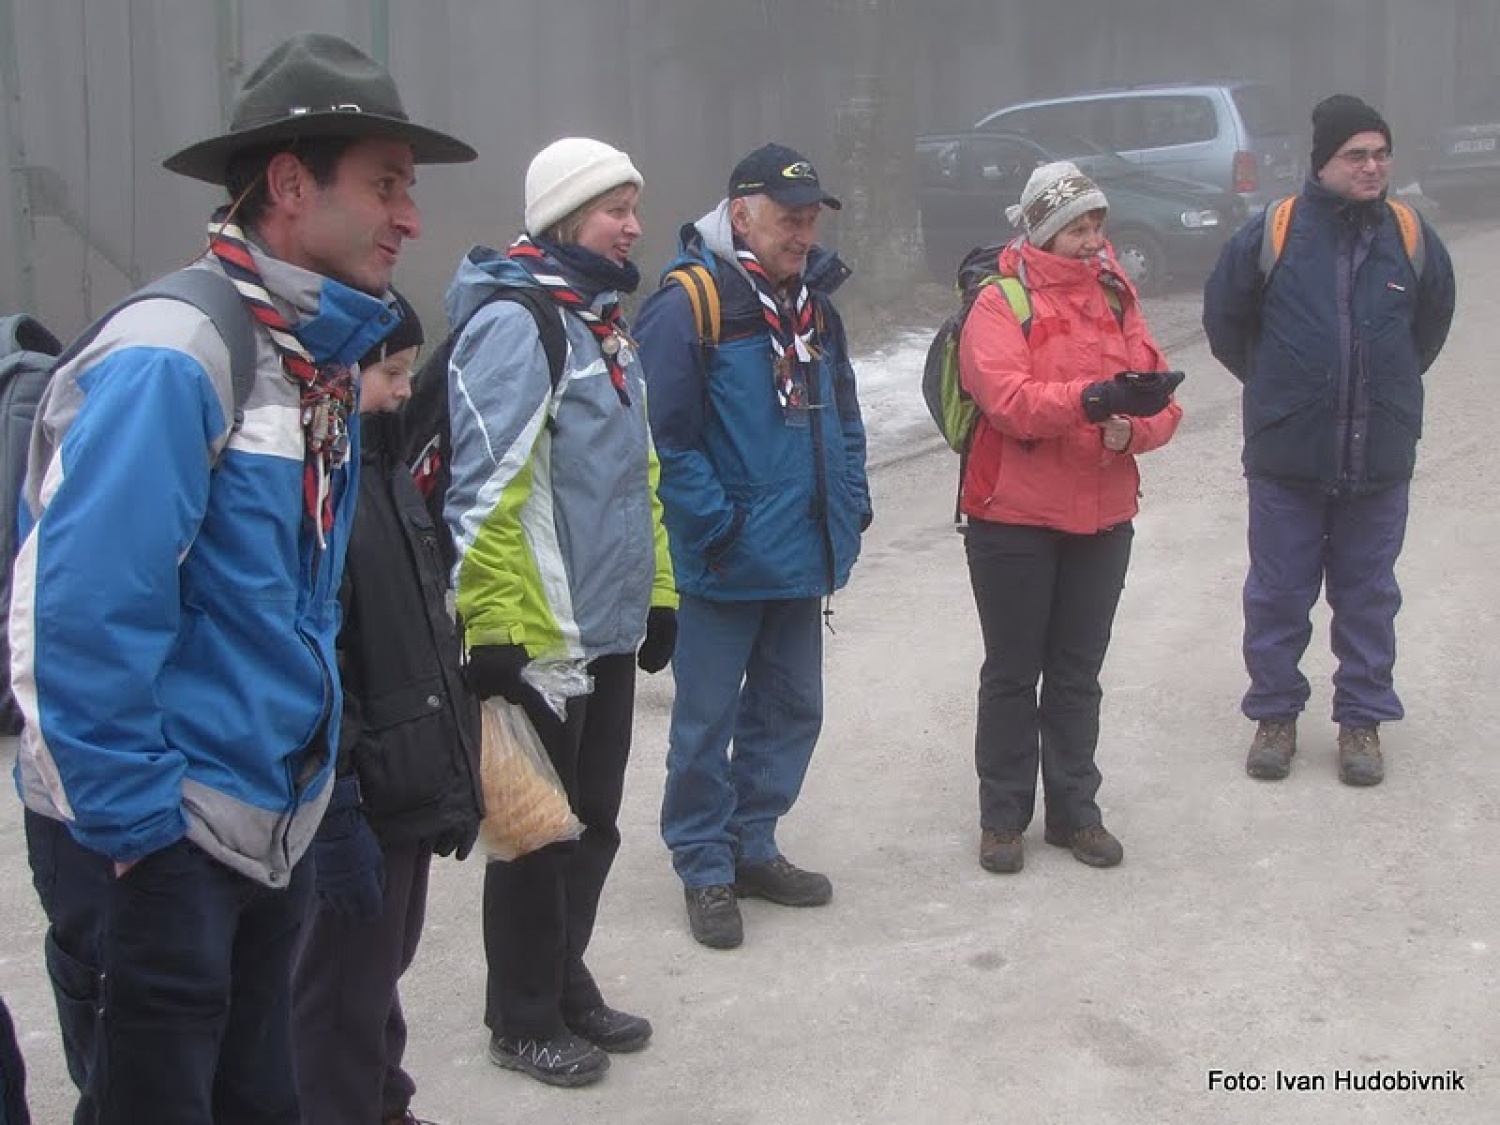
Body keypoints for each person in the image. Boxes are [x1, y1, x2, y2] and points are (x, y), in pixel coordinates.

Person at [10, 32, 474, 1123]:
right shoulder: (179, 355)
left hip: (270, 831)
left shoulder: (310, 361)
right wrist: (138, 839)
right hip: (161, 844)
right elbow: (77, 617)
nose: (411, 216)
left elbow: (293, 604)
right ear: (287, 184)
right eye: (386, 187)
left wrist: (313, 796)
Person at [443, 137, 677, 1089]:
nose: (632, 223)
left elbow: (641, 476)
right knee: (537, 836)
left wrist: (660, 594)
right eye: (613, 207)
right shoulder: (520, 324)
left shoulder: (603, 326)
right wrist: (490, 623)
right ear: (561, 216)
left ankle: (564, 976)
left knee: (597, 821)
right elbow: (482, 489)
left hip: (607, 627)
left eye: (635, 205)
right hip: (538, 637)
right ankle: (522, 1015)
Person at [634, 143, 871, 950]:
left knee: (792, 705)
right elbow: (667, 436)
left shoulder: (814, 307)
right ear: (741, 214)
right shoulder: (690, 304)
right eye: (787, 217)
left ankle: (752, 843)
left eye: (810, 218)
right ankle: (704, 862)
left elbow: (842, 415)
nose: (802, 232)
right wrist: (716, 528)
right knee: (706, 719)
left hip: (801, 551)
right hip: (727, 559)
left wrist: (850, 500)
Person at [1204, 94, 1455, 787]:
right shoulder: (1274, 233)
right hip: (1288, 456)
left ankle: (1362, 721)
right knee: (1279, 592)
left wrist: (1383, 391)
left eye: (1380, 154)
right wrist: (1282, 390)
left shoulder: (1409, 234)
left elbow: (1428, 328)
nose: (1372, 167)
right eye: (1357, 155)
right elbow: (1225, 322)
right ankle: (1276, 716)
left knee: (1368, 592)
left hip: (1379, 455)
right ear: (1324, 162)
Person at [291, 291, 484, 1125]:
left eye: (409, 370)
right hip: (360, 785)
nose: (406, 391)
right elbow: (327, 654)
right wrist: (347, 798)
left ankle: (383, 1099)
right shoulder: (324, 488)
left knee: (384, 960)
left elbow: (424, 625)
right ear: (337, 374)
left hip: (405, 771)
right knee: (336, 981)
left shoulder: (385, 469)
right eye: (390, 373)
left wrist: (450, 769)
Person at [959, 161, 1182, 876]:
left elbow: (1164, 401)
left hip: (1104, 508)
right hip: (1012, 515)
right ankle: (1002, 819)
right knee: (1013, 671)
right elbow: (1008, 399)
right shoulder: (1000, 301)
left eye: (1096, 224)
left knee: (1078, 673)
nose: (1091, 239)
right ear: (1044, 229)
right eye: (1076, 227)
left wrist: (1133, 428)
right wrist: (1095, 401)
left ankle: (1075, 813)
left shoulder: (1117, 294)